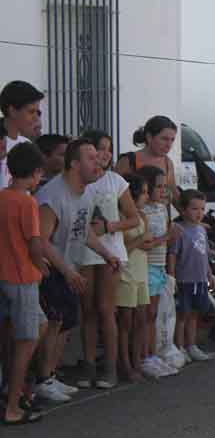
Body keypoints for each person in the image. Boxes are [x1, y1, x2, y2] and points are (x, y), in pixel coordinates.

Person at [35, 138, 121, 403]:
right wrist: (67, 271)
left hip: (69, 266)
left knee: (64, 323)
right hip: (50, 270)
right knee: (54, 323)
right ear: (74, 164)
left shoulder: (86, 192)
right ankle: (41, 380)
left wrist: (107, 254)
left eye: (99, 157)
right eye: (91, 158)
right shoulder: (52, 195)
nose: (99, 162)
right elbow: (41, 241)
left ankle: (50, 375)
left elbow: (83, 232)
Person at [77, 131, 139, 390]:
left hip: (111, 251)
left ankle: (110, 367)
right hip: (83, 252)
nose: (105, 154)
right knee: (87, 310)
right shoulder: (79, 182)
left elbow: (134, 218)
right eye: (99, 149)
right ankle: (89, 365)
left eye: (108, 149)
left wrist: (110, 226)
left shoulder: (116, 181)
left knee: (106, 308)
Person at [1, 143, 48, 424]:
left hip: (4, 275)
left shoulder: (2, 197)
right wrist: (42, 265)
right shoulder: (27, 202)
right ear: (36, 172)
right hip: (22, 276)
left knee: (33, 328)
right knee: (26, 341)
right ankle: (13, 404)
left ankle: (10, 390)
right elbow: (34, 242)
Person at [137, 166, 178, 376]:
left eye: (165, 187)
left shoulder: (163, 208)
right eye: (159, 187)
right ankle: (144, 356)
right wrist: (166, 237)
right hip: (147, 265)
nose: (163, 191)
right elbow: (145, 242)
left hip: (159, 266)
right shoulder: (142, 211)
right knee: (146, 315)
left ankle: (152, 354)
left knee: (154, 315)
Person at [167, 190, 215, 364]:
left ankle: (191, 345)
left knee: (194, 315)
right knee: (182, 315)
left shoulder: (202, 230)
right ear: (184, 209)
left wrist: (209, 274)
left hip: (199, 280)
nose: (199, 213)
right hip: (184, 280)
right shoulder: (178, 230)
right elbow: (172, 255)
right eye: (194, 209)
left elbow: (204, 255)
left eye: (202, 209)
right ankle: (179, 347)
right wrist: (172, 277)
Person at [116, 175, 153, 383]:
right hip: (126, 273)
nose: (146, 196)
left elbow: (146, 243)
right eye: (144, 192)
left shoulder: (142, 216)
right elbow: (122, 249)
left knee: (141, 319)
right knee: (125, 322)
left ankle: (137, 360)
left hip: (141, 272)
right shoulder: (122, 217)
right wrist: (140, 240)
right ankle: (125, 363)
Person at [115, 116, 179, 203]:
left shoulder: (168, 163)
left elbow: (174, 195)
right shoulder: (128, 161)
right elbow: (114, 194)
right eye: (164, 139)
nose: (169, 145)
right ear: (149, 137)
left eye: (172, 140)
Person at [1, 80, 44, 188]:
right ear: (12, 111)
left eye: (37, 112)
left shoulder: (26, 144)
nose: (36, 118)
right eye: (31, 112)